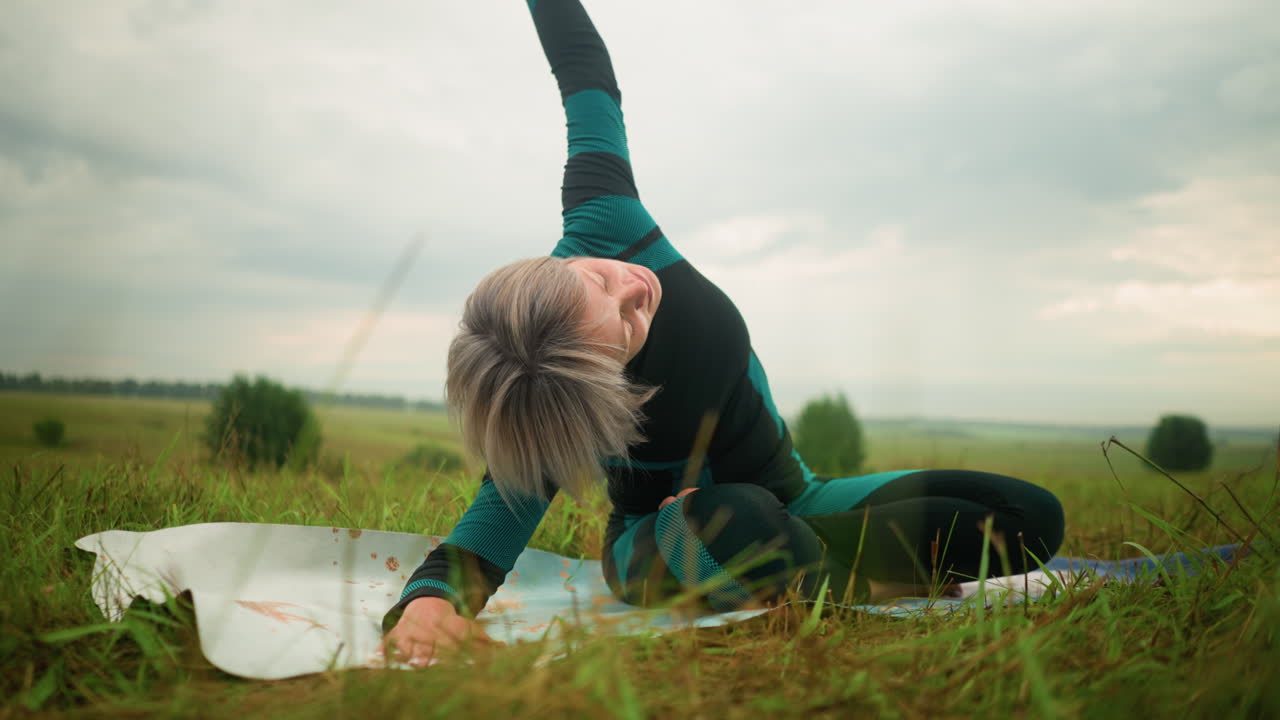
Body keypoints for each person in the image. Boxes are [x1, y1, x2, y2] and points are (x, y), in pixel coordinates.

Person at [381, 0, 1065, 666]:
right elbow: (500, 515)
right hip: (668, 539)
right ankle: (824, 572)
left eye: (597, 282)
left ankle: (809, 567)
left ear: (555, 268)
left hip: (799, 498)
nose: (633, 289)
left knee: (1025, 516)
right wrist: (432, 601)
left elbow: (584, 72)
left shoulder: (602, 218)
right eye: (626, 326)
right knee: (733, 520)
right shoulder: (568, 397)